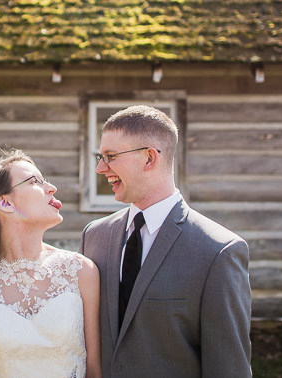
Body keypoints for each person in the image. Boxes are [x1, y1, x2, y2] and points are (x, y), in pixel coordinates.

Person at [80, 105, 252, 377]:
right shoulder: (94, 236)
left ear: (149, 158)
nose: (101, 168)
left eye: (110, 156)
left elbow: (228, 367)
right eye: (101, 157)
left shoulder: (219, 251)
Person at [0, 149, 102, 378]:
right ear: (4, 203)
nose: (51, 188)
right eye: (34, 181)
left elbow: (95, 371)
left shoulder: (81, 272)